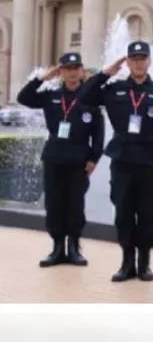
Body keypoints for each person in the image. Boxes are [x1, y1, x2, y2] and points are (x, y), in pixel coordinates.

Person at [78, 42, 153, 281]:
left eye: (143, 58)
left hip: (149, 163)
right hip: (122, 160)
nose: (139, 63)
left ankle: (144, 264)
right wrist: (104, 73)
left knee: (146, 214)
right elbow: (84, 96)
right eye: (134, 59)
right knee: (123, 213)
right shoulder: (115, 89)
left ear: (149, 61)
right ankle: (126, 262)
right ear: (127, 62)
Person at [16, 52, 104, 267]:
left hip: (79, 160)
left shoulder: (91, 99)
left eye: (76, 68)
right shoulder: (51, 95)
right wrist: (42, 78)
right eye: (68, 69)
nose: (72, 72)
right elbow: (23, 98)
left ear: (81, 71)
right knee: (54, 204)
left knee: (75, 204)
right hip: (54, 157)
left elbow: (98, 133)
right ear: (61, 72)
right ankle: (57, 248)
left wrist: (94, 158)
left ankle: (74, 248)